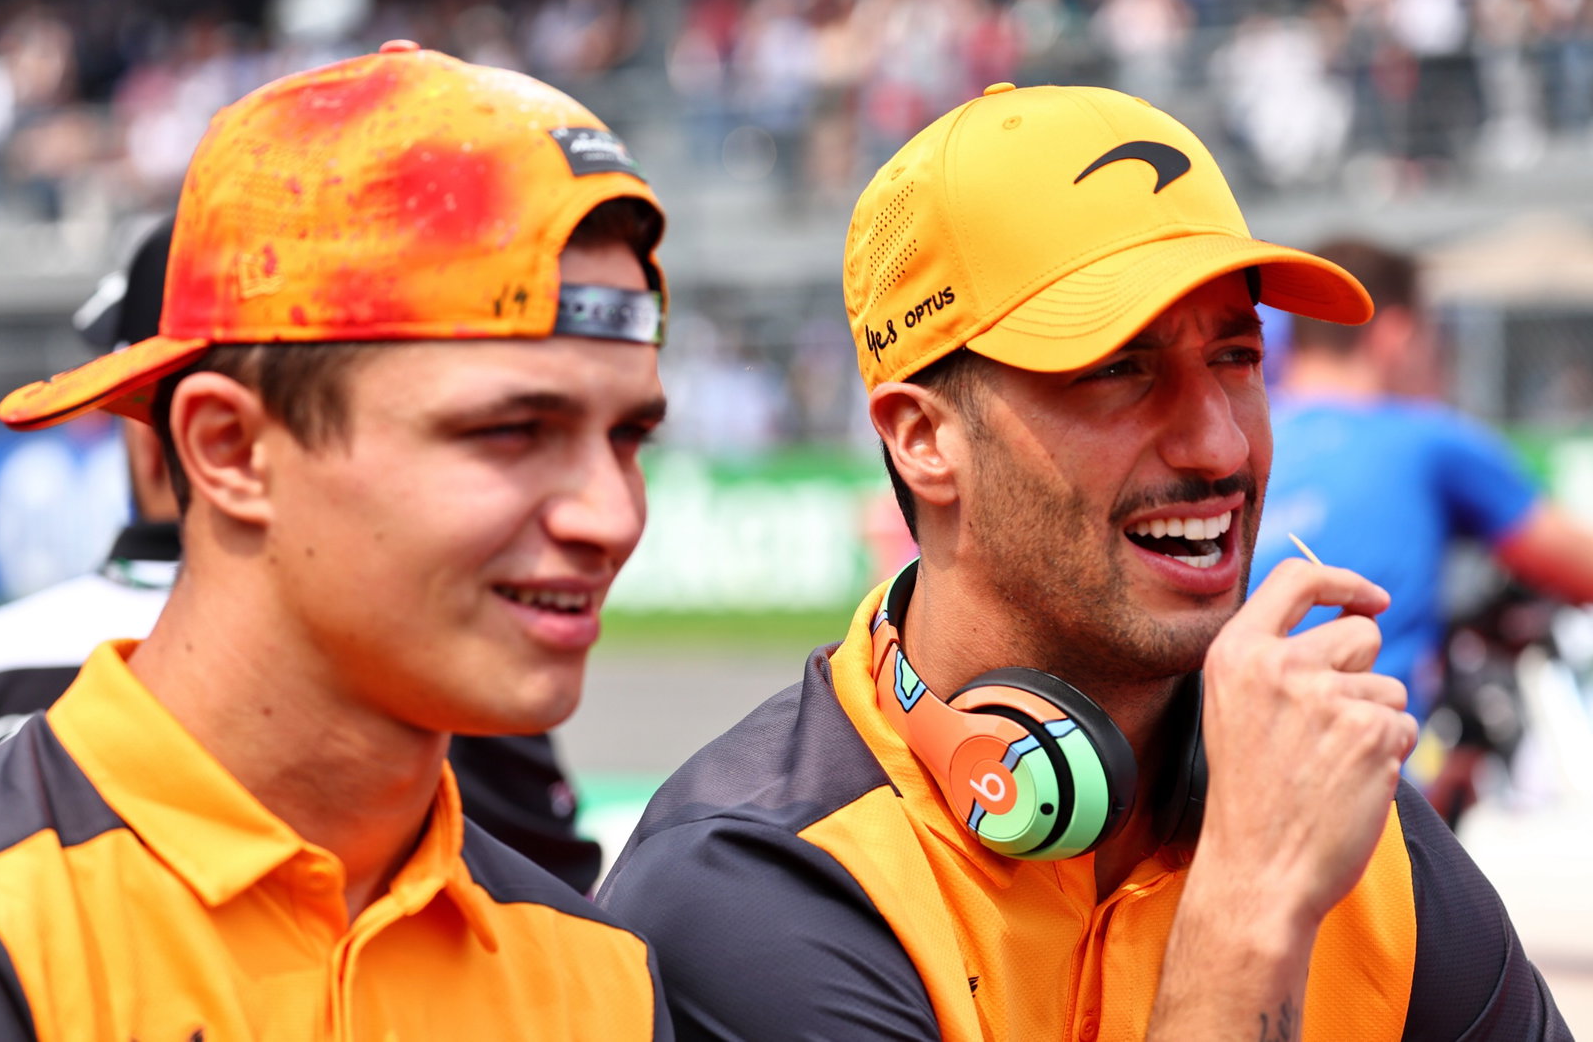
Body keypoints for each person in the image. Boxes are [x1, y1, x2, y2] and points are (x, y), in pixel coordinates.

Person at [598, 84, 1571, 1039]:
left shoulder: (1345, 816)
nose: (1220, 447)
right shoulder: (754, 882)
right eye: (1117, 368)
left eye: (1236, 358)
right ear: (923, 440)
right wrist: (1247, 904)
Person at [0, 41, 673, 1039]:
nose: (609, 518)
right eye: (510, 431)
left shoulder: (597, 977)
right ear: (228, 449)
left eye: (628, 436)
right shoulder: (22, 924)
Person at [0, 214, 605, 892]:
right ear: (215, 438)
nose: (609, 516)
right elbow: (552, 892)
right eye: (507, 431)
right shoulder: (439, 658)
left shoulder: (7, 654)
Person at [1250, 238, 1593, 728]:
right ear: (1396, 334)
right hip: (1359, 776)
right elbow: (1581, 565)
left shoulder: (1244, 441)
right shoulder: (1426, 440)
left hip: (1214, 768)